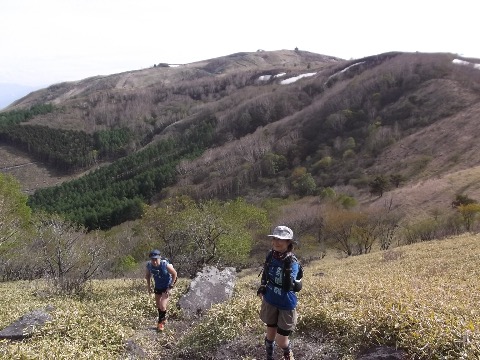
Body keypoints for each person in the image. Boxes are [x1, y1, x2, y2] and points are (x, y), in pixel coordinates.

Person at [257, 226, 302, 360]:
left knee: (281, 340)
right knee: (270, 334)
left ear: (288, 242)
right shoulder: (271, 255)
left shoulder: (292, 262)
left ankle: (288, 353)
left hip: (286, 303)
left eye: (281, 239)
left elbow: (291, 286)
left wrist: (287, 271)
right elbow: (265, 272)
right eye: (275, 238)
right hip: (270, 299)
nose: (276, 242)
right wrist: (263, 286)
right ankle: (269, 357)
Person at [145, 249, 177, 332]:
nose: (154, 262)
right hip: (158, 286)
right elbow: (147, 276)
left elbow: (174, 274)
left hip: (166, 286)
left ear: (159, 258)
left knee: (163, 305)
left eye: (156, 259)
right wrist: (149, 287)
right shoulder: (149, 265)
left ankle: (161, 322)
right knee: (158, 305)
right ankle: (163, 318)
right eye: (153, 260)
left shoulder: (165, 265)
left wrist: (170, 287)